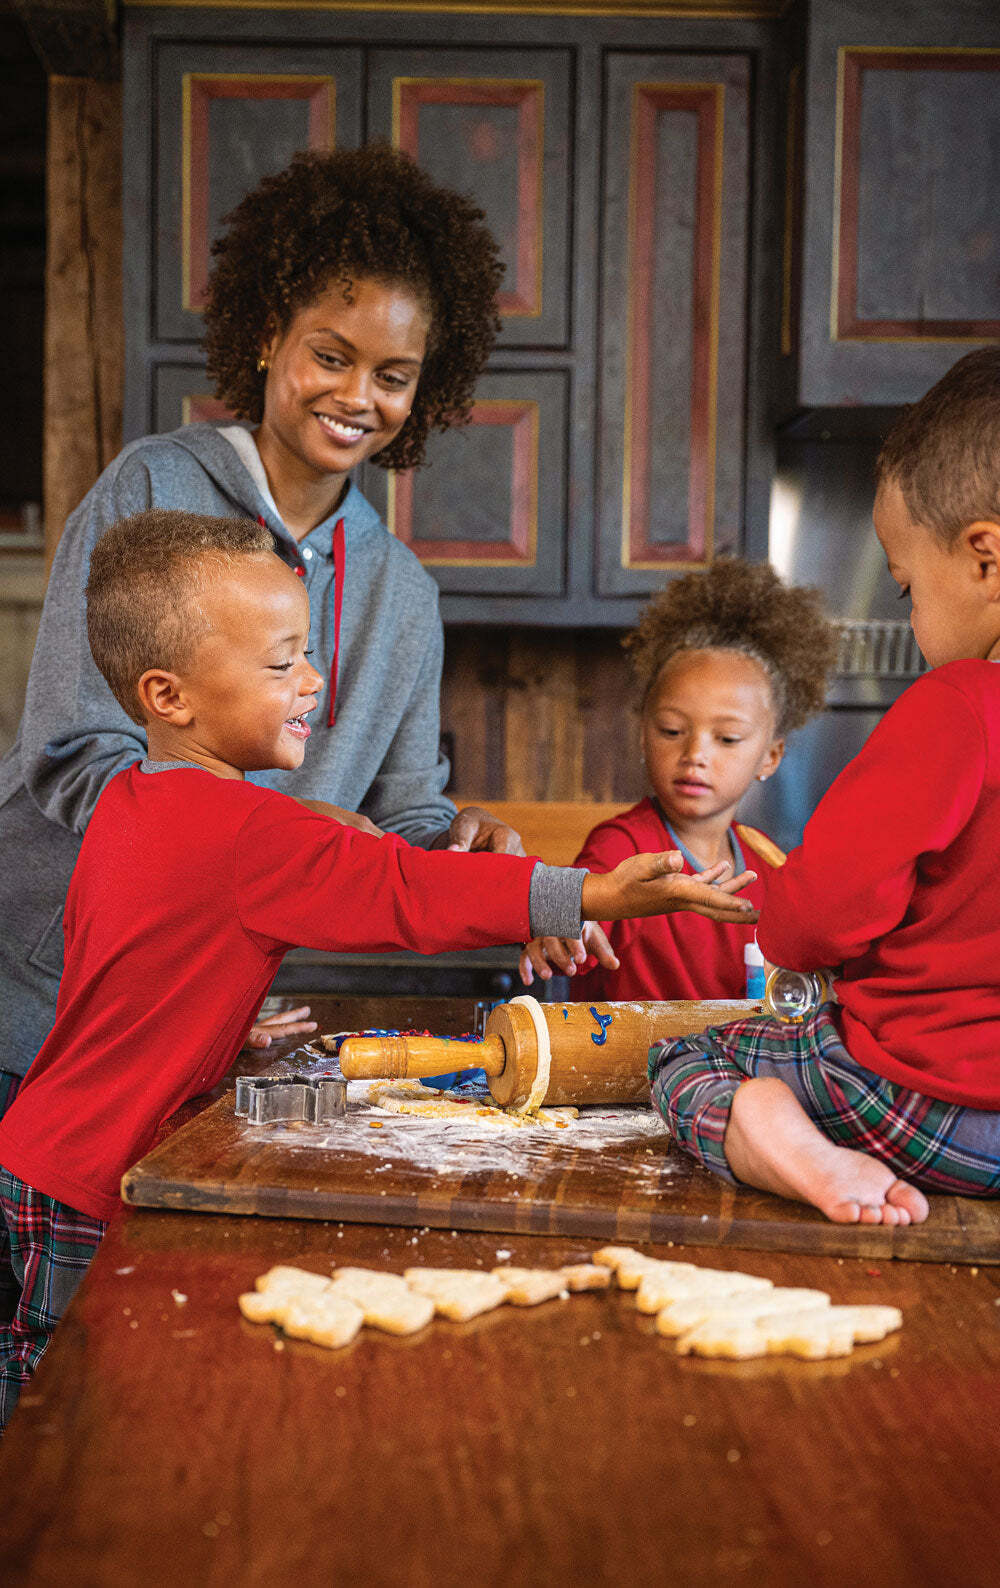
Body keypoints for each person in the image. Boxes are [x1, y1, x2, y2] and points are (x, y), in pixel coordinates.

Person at [0, 508, 760, 1427]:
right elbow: (410, 890)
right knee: (58, 1404)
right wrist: (594, 894)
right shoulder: (249, 833)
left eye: (306, 653)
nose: (313, 681)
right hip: (93, 1166)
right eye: (279, 665)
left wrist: (218, 1023)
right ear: (169, 696)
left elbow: (121, 972)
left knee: (49, 1375)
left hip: (45, 1140)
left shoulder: (134, 797)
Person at [0, 141, 526, 1103]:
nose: (357, 397)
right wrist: (275, 831)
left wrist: (464, 847)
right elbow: (74, 757)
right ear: (268, 335)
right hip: (40, 999)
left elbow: (398, 816)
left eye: (394, 374)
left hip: (191, 1016)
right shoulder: (151, 489)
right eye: (330, 355)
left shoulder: (404, 595)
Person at [649, 347, 1000, 1227]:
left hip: (926, 1103)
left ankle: (791, 1147)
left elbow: (817, 917)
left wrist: (782, 920)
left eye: (907, 588)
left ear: (985, 559)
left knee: (686, 1062)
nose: (910, 617)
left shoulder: (958, 704)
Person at [518, 559, 835, 998]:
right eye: (671, 730)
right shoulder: (623, 846)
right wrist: (567, 925)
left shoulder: (767, 864)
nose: (694, 755)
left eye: (727, 738)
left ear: (771, 756)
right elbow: (583, 909)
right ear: (643, 735)